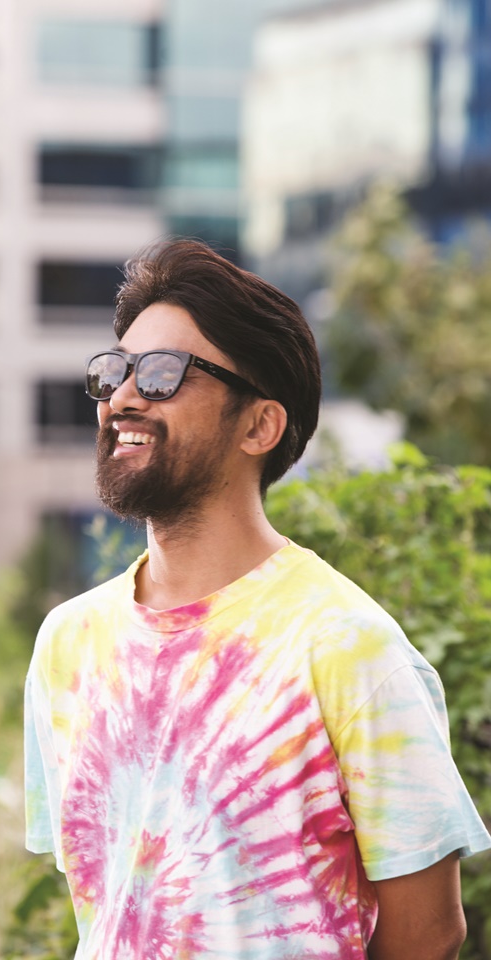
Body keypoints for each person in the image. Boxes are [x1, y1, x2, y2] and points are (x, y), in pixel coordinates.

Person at [24, 239, 491, 960]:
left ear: (259, 425)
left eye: (162, 373)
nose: (123, 397)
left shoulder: (346, 645)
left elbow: (429, 931)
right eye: (114, 371)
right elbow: (111, 898)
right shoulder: (70, 640)